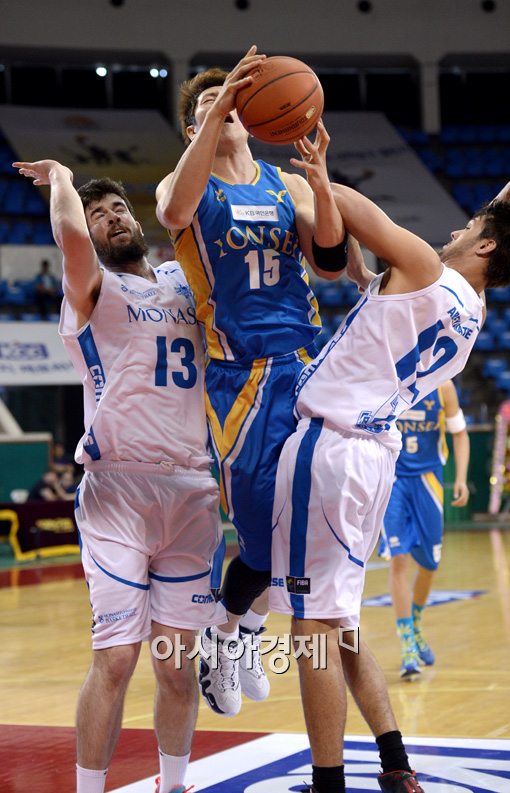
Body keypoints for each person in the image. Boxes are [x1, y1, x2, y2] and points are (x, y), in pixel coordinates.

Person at [270, 124, 510, 793]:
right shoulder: (471, 315)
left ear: (486, 245)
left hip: (331, 446)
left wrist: (296, 176)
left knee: (311, 627)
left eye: (466, 226)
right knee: (340, 622)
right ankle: (396, 761)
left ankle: (327, 783)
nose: (451, 231)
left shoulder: (427, 271)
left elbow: (353, 209)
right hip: (372, 455)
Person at [14, 158, 226, 793]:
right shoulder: (91, 289)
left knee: (176, 666)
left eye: (118, 210)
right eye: (98, 213)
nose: (111, 219)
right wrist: (61, 182)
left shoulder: (182, 283)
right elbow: (72, 240)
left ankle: (174, 784)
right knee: (116, 659)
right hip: (119, 490)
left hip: (191, 489)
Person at [155, 46, 355, 717]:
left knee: (301, 530)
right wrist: (213, 113)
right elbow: (172, 214)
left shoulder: (283, 184)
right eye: (213, 103)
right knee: (262, 541)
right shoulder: (185, 184)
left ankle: (240, 629)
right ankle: (226, 631)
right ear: (194, 131)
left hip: (305, 362)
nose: (229, 108)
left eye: (234, 102)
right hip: (241, 380)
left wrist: (322, 182)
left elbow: (330, 262)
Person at [380, 379, 470, 679]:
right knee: (399, 560)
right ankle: (407, 644)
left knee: (430, 563)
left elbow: (460, 433)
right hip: (393, 481)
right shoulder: (388, 379)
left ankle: (416, 625)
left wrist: (460, 477)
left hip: (428, 480)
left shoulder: (443, 386)